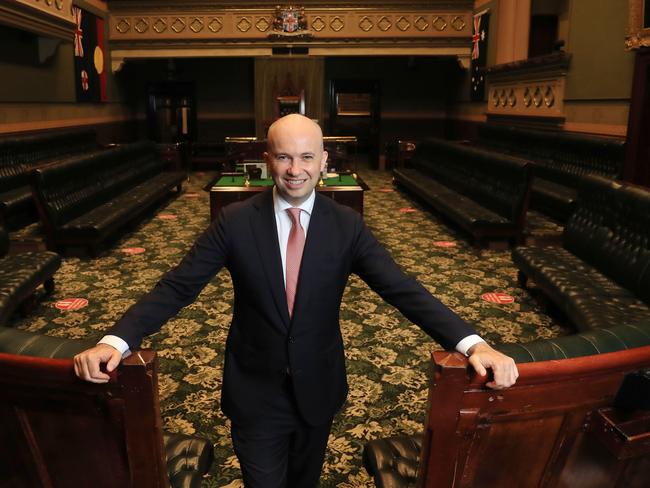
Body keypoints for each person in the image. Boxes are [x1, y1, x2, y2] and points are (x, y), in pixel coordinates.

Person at [74, 114, 518, 487]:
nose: (295, 168)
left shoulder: (347, 225)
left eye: (306, 157)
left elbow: (403, 288)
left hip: (318, 389)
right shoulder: (233, 222)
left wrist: (473, 343)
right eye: (284, 156)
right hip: (255, 390)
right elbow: (176, 286)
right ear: (267, 160)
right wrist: (114, 342)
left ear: (324, 161)